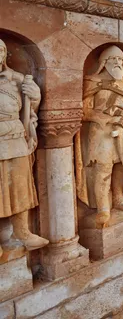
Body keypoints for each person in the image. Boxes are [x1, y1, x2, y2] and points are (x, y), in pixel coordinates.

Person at [76, 45, 123, 228]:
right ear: (104, 63)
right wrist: (107, 118)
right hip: (101, 132)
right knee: (103, 169)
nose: (119, 63)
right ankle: (103, 208)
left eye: (121, 60)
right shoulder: (92, 81)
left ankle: (118, 198)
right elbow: (84, 111)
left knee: (122, 165)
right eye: (114, 60)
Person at [0, 38, 48, 255]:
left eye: (0, 52)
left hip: (16, 135)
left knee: (20, 185)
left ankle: (23, 232)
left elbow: (29, 111)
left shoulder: (17, 79)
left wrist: (35, 96)